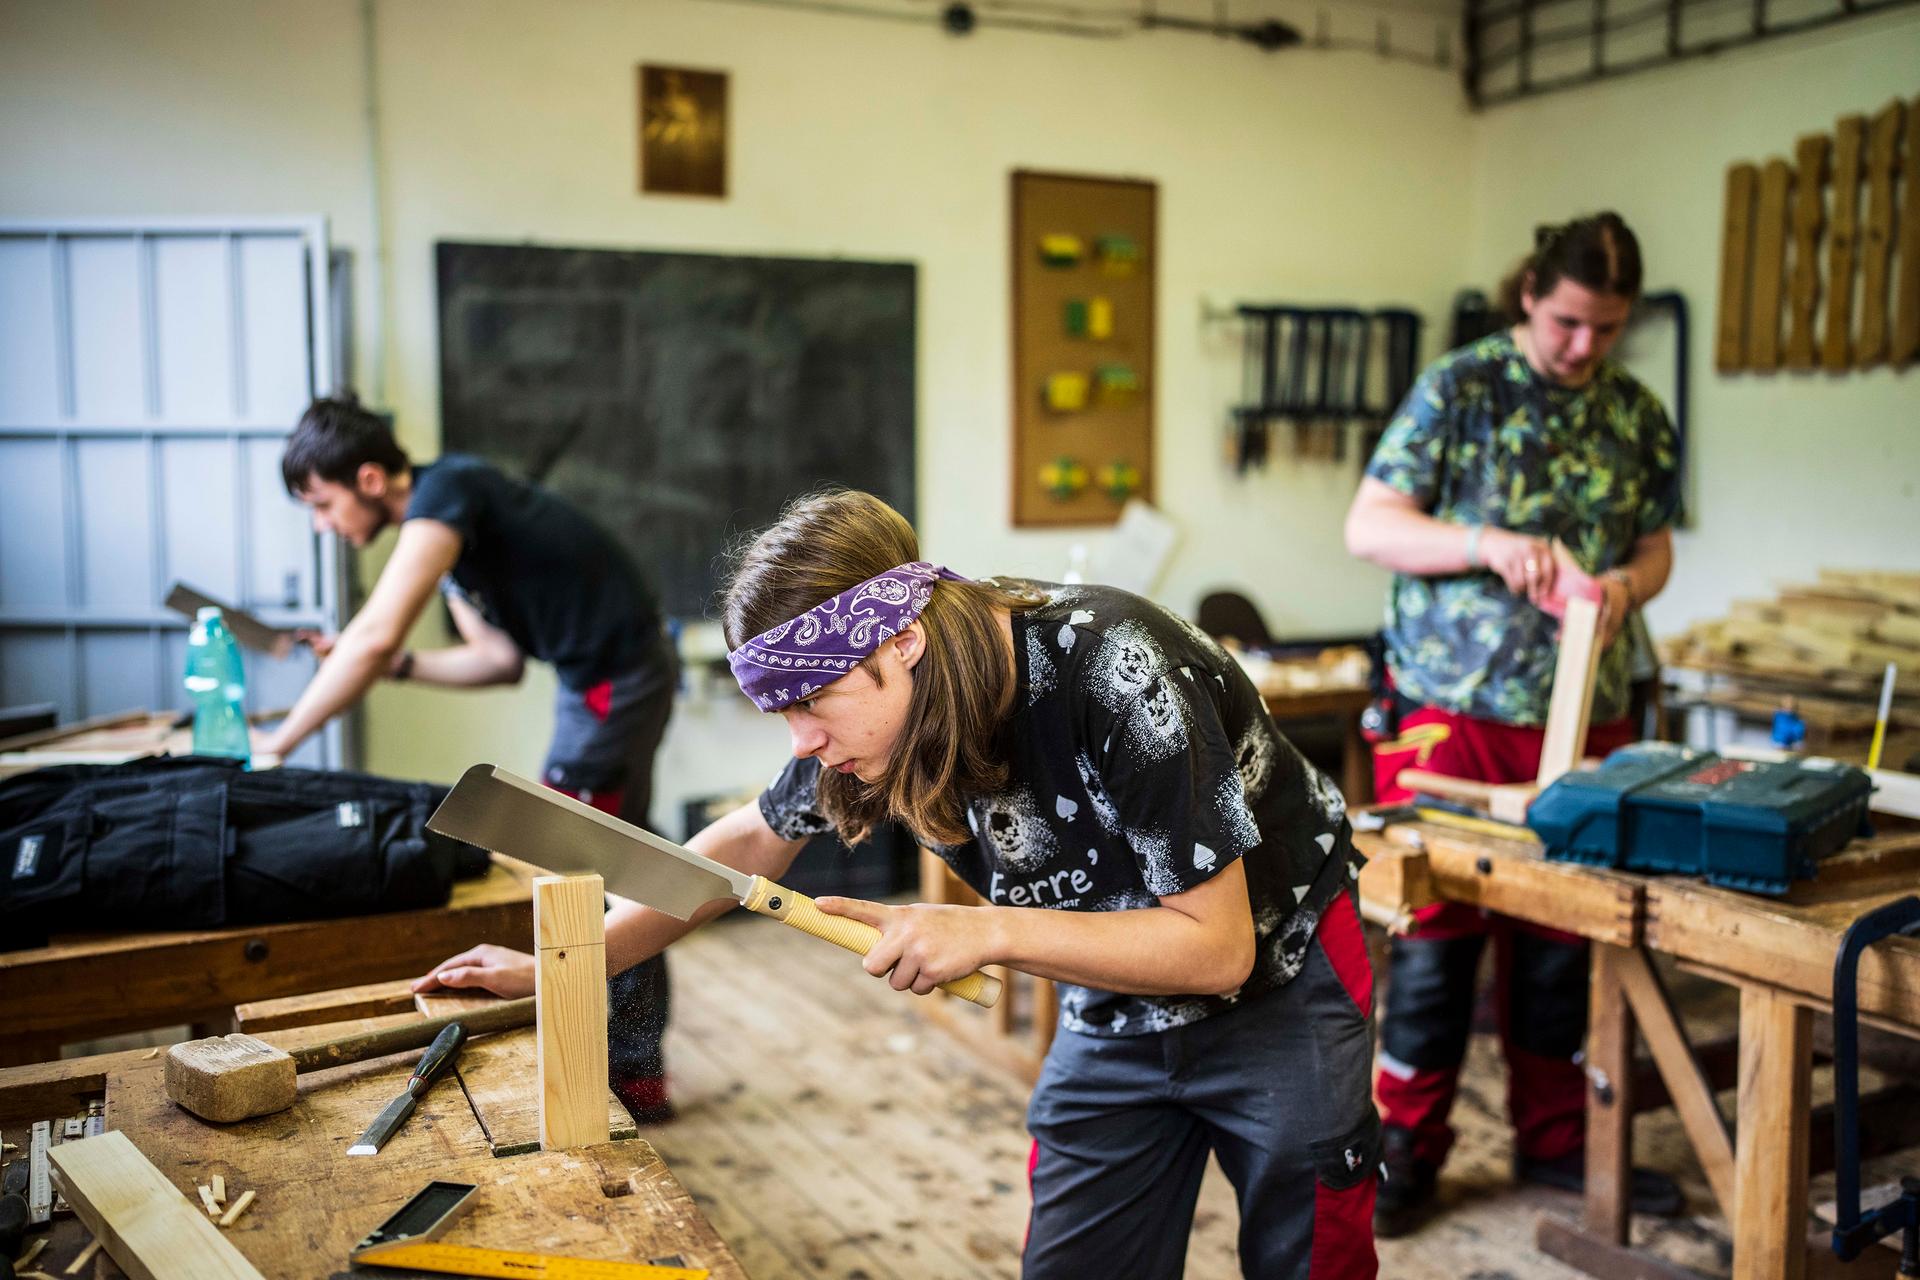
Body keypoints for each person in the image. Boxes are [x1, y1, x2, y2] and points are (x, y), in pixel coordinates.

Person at [417, 489, 1380, 1279]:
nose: (804, 744)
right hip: (1116, 996)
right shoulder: (867, 707)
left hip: (1279, 977)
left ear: (902, 642)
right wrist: (567, 966)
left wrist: (990, 930)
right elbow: (750, 842)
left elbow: (1216, 951)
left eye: (813, 705)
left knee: (1310, 1257)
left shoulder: (1119, 668)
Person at [1344, 212, 1683, 1236]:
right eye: (1571, 321)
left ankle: (1555, 1137)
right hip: (1453, 707)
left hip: (1589, 714)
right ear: (1532, 290)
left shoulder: (1635, 411)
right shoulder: (1460, 387)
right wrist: (1487, 543)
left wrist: (1626, 584)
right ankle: (1404, 1142)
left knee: (1558, 937)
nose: (1586, 346)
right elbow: (1370, 526)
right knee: (1439, 932)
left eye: (1609, 328)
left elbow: (1659, 546)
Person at [259, 395, 679, 1121]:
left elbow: (373, 637)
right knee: (609, 869)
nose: (323, 526)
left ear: (366, 478)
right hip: (595, 687)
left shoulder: (448, 488)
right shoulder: (453, 536)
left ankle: (629, 1077)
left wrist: (278, 744)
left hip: (619, 683)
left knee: (588, 871)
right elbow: (496, 660)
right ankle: (633, 1073)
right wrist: (389, 665)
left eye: (322, 505)